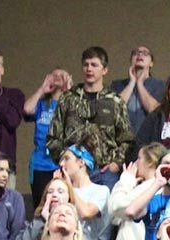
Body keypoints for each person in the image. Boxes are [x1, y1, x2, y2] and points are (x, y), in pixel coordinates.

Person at [46, 47, 134, 189]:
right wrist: (65, 159)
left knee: (106, 211)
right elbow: (53, 136)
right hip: (74, 170)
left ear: (104, 70)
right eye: (86, 65)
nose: (89, 69)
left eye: (94, 65)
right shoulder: (68, 98)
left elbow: (127, 139)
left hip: (105, 171)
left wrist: (116, 163)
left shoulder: (114, 101)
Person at [23, 68, 73, 206]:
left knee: (64, 203)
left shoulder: (69, 103)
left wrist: (69, 91)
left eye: (62, 75)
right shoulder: (41, 104)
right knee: (41, 203)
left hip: (62, 161)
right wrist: (42, 89)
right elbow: (27, 109)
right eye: (54, 75)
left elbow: (77, 119)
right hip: (40, 162)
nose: (57, 78)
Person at [53, 144, 111, 240]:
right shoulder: (64, 189)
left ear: (81, 162)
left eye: (67, 159)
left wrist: (68, 187)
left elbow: (85, 212)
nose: (61, 164)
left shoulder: (101, 191)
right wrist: (57, 188)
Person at [112, 45, 167, 134]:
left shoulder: (160, 85)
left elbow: (154, 110)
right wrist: (132, 82)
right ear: (131, 60)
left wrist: (140, 84)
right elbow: (115, 109)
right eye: (136, 53)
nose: (140, 55)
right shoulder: (117, 85)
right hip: (122, 141)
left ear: (151, 63)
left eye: (145, 54)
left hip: (149, 141)